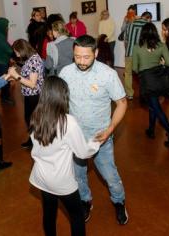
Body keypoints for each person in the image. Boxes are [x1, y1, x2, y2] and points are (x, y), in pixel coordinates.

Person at [59, 35, 129, 225]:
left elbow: (121, 104)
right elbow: (60, 102)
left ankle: (119, 201)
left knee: (110, 176)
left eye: (86, 57)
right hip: (75, 137)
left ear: (96, 53)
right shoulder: (65, 72)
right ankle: (85, 201)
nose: (81, 62)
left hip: (100, 137)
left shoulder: (107, 74)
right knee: (78, 175)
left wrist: (110, 129)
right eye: (77, 56)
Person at [29, 76, 101, 236]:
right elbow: (83, 152)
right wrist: (95, 141)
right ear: (63, 96)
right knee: (77, 215)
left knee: (49, 213)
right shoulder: (68, 122)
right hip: (61, 181)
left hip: (41, 177)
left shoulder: (36, 116)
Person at [132, 23, 169, 147]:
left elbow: (135, 68)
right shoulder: (161, 45)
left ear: (142, 33)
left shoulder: (137, 47)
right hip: (159, 79)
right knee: (153, 105)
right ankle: (151, 130)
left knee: (156, 108)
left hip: (147, 81)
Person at [8, 39, 45, 149]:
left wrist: (16, 76)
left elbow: (32, 84)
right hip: (31, 95)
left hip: (34, 95)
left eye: (17, 52)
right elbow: (29, 73)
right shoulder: (32, 57)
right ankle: (33, 140)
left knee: (31, 119)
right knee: (31, 119)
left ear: (22, 50)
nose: (17, 54)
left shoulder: (33, 60)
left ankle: (36, 142)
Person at [124, 11, 152, 100]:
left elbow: (126, 39)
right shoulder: (147, 26)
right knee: (143, 74)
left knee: (128, 74)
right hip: (141, 54)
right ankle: (144, 93)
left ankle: (129, 94)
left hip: (129, 53)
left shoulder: (130, 23)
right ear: (148, 18)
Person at [0, 17, 14, 105]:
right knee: (4, 80)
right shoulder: (0, 35)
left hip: (0, 61)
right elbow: (8, 49)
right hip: (1, 62)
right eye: (6, 26)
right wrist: (13, 51)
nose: (7, 28)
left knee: (1, 79)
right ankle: (4, 98)